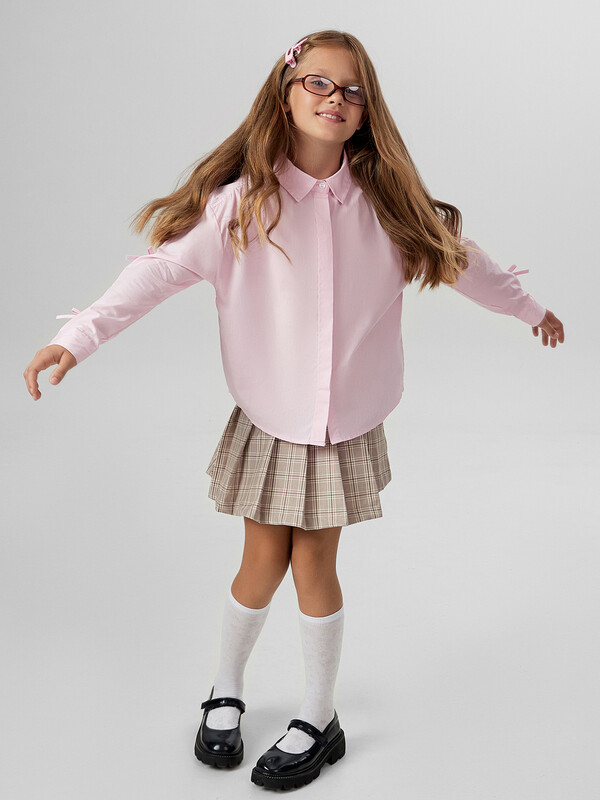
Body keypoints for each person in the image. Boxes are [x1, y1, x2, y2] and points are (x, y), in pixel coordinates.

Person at [23, 29, 565, 791]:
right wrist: (75, 339)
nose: (334, 99)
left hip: (344, 425)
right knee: (259, 561)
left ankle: (318, 714)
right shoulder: (239, 207)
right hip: (271, 418)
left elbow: (464, 261)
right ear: (285, 95)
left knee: (314, 562)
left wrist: (530, 309)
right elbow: (155, 273)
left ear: (366, 110)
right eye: (318, 83)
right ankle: (226, 688)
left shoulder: (388, 208)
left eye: (352, 90)